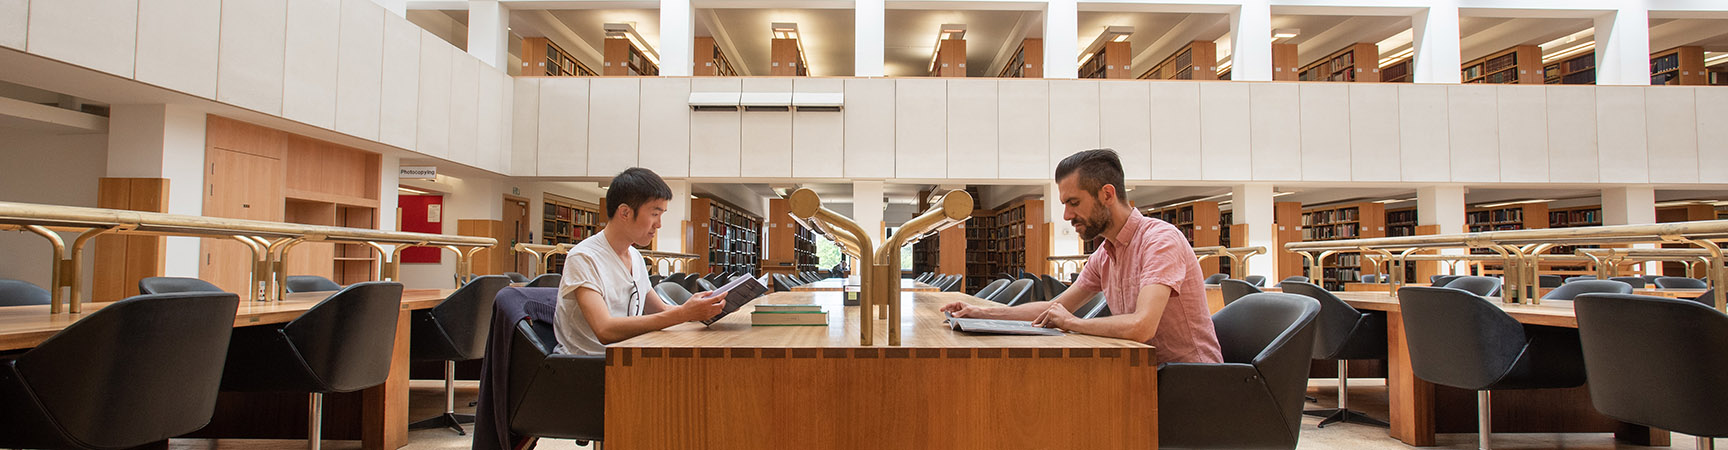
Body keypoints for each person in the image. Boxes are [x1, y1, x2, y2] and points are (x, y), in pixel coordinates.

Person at [941, 149, 1222, 363]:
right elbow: (1053, 308)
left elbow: (1141, 326)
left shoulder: (1160, 241)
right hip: (1143, 369)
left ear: (1107, 194)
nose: (1067, 215)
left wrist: (1073, 323)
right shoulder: (1105, 253)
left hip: (1191, 381)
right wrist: (981, 313)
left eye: (1074, 203)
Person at [553, 167, 728, 356]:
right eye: (655, 214)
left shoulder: (635, 256)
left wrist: (701, 311)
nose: (659, 224)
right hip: (588, 365)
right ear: (625, 213)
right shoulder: (584, 257)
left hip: (626, 355)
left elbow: (659, 309)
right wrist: (684, 314)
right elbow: (605, 329)